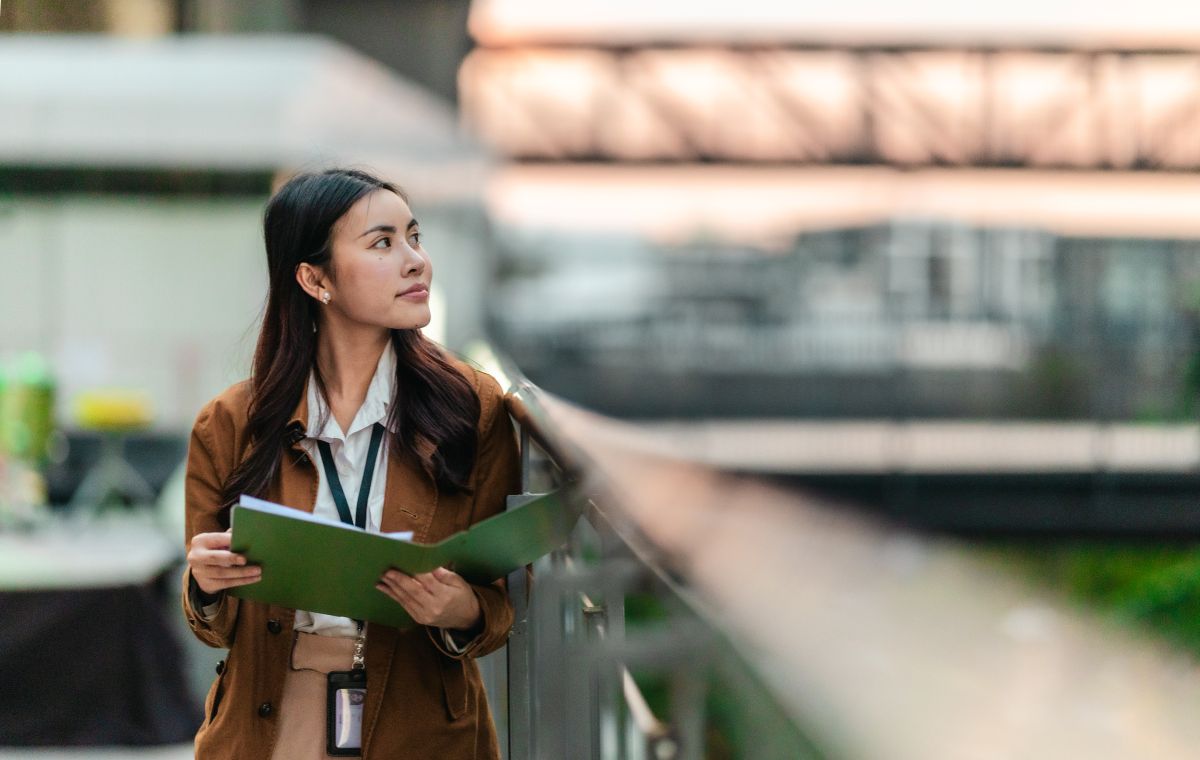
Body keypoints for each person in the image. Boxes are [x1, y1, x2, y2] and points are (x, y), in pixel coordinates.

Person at [180, 167, 520, 759]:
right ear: (315, 279)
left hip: (420, 725)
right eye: (383, 243)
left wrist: (461, 608)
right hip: (273, 717)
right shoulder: (231, 424)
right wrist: (205, 586)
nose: (416, 261)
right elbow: (211, 623)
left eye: (415, 237)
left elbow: (507, 598)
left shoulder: (473, 408)